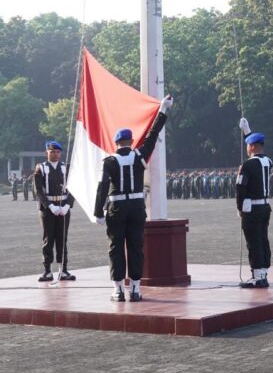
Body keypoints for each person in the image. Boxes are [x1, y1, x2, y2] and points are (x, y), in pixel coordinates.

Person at [93, 96, 173, 302]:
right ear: (130, 141)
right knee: (136, 246)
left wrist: (97, 211)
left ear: (116, 142)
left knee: (116, 247)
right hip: (137, 206)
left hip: (116, 207)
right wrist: (163, 109)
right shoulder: (139, 156)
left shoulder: (109, 161)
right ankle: (136, 289)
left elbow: (102, 187)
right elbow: (153, 135)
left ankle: (118, 290)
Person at [236, 118, 273, 288]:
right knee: (263, 239)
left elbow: (240, 188)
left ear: (251, 147)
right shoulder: (268, 162)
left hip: (251, 208)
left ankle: (257, 276)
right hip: (265, 207)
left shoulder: (247, 165)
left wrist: (239, 207)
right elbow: (257, 153)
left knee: (253, 242)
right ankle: (263, 273)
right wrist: (247, 131)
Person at [34, 141, 76, 281]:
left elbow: (74, 187)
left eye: (58, 152)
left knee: (62, 239)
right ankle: (47, 270)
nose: (55, 154)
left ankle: (63, 270)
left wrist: (67, 206)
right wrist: (49, 206)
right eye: (52, 151)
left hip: (63, 206)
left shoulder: (66, 168)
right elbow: (38, 190)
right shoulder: (40, 168)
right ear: (47, 152)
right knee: (48, 239)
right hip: (47, 208)